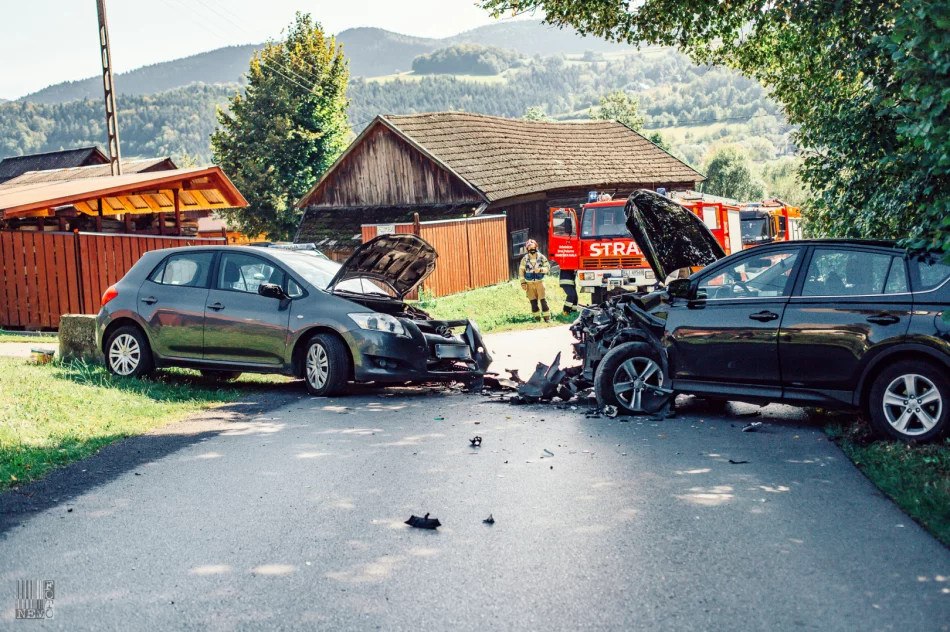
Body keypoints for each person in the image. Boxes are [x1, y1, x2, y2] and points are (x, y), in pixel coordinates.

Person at [519, 239, 551, 322]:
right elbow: (521, 271)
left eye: (533, 247)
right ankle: (537, 318)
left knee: (543, 300)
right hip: (529, 284)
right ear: (527, 249)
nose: (531, 249)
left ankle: (547, 318)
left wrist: (540, 270)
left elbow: (547, 268)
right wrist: (523, 283)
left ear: (536, 247)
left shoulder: (541, 257)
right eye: (529, 248)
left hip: (540, 282)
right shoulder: (524, 259)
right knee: (533, 301)